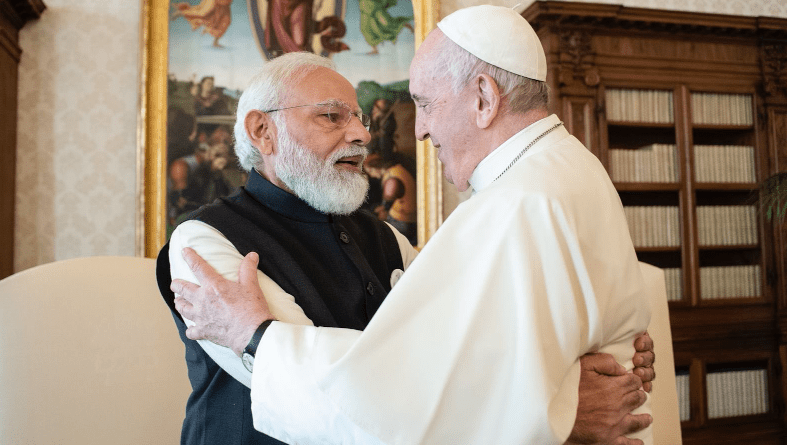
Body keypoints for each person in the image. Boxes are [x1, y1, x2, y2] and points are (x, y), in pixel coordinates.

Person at [165, 40, 656, 445]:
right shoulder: (201, 240)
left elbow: (466, 348)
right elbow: (335, 394)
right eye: (332, 117)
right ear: (262, 131)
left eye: (358, 117)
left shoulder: (386, 238)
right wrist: (560, 402)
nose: (361, 134)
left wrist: (580, 360)